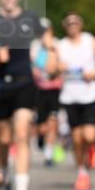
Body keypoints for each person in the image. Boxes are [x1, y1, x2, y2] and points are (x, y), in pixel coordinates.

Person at [0, 0, 45, 190]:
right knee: (1, 139)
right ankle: (1, 170)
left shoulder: (30, 18)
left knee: (21, 135)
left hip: (24, 83)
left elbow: (47, 42)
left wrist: (46, 61)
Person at [55, 13, 95, 190]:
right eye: (69, 23)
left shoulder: (91, 41)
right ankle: (82, 172)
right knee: (76, 139)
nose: (72, 25)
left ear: (81, 24)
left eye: (75, 22)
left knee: (89, 135)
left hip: (89, 95)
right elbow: (50, 69)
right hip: (69, 96)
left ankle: (94, 145)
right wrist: (57, 67)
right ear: (64, 26)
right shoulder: (60, 46)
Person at [30, 17, 61, 167]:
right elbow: (33, 66)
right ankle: (41, 138)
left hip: (54, 89)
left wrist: (51, 49)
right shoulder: (34, 46)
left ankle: (49, 153)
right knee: (41, 125)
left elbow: (56, 67)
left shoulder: (57, 44)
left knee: (53, 121)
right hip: (38, 89)